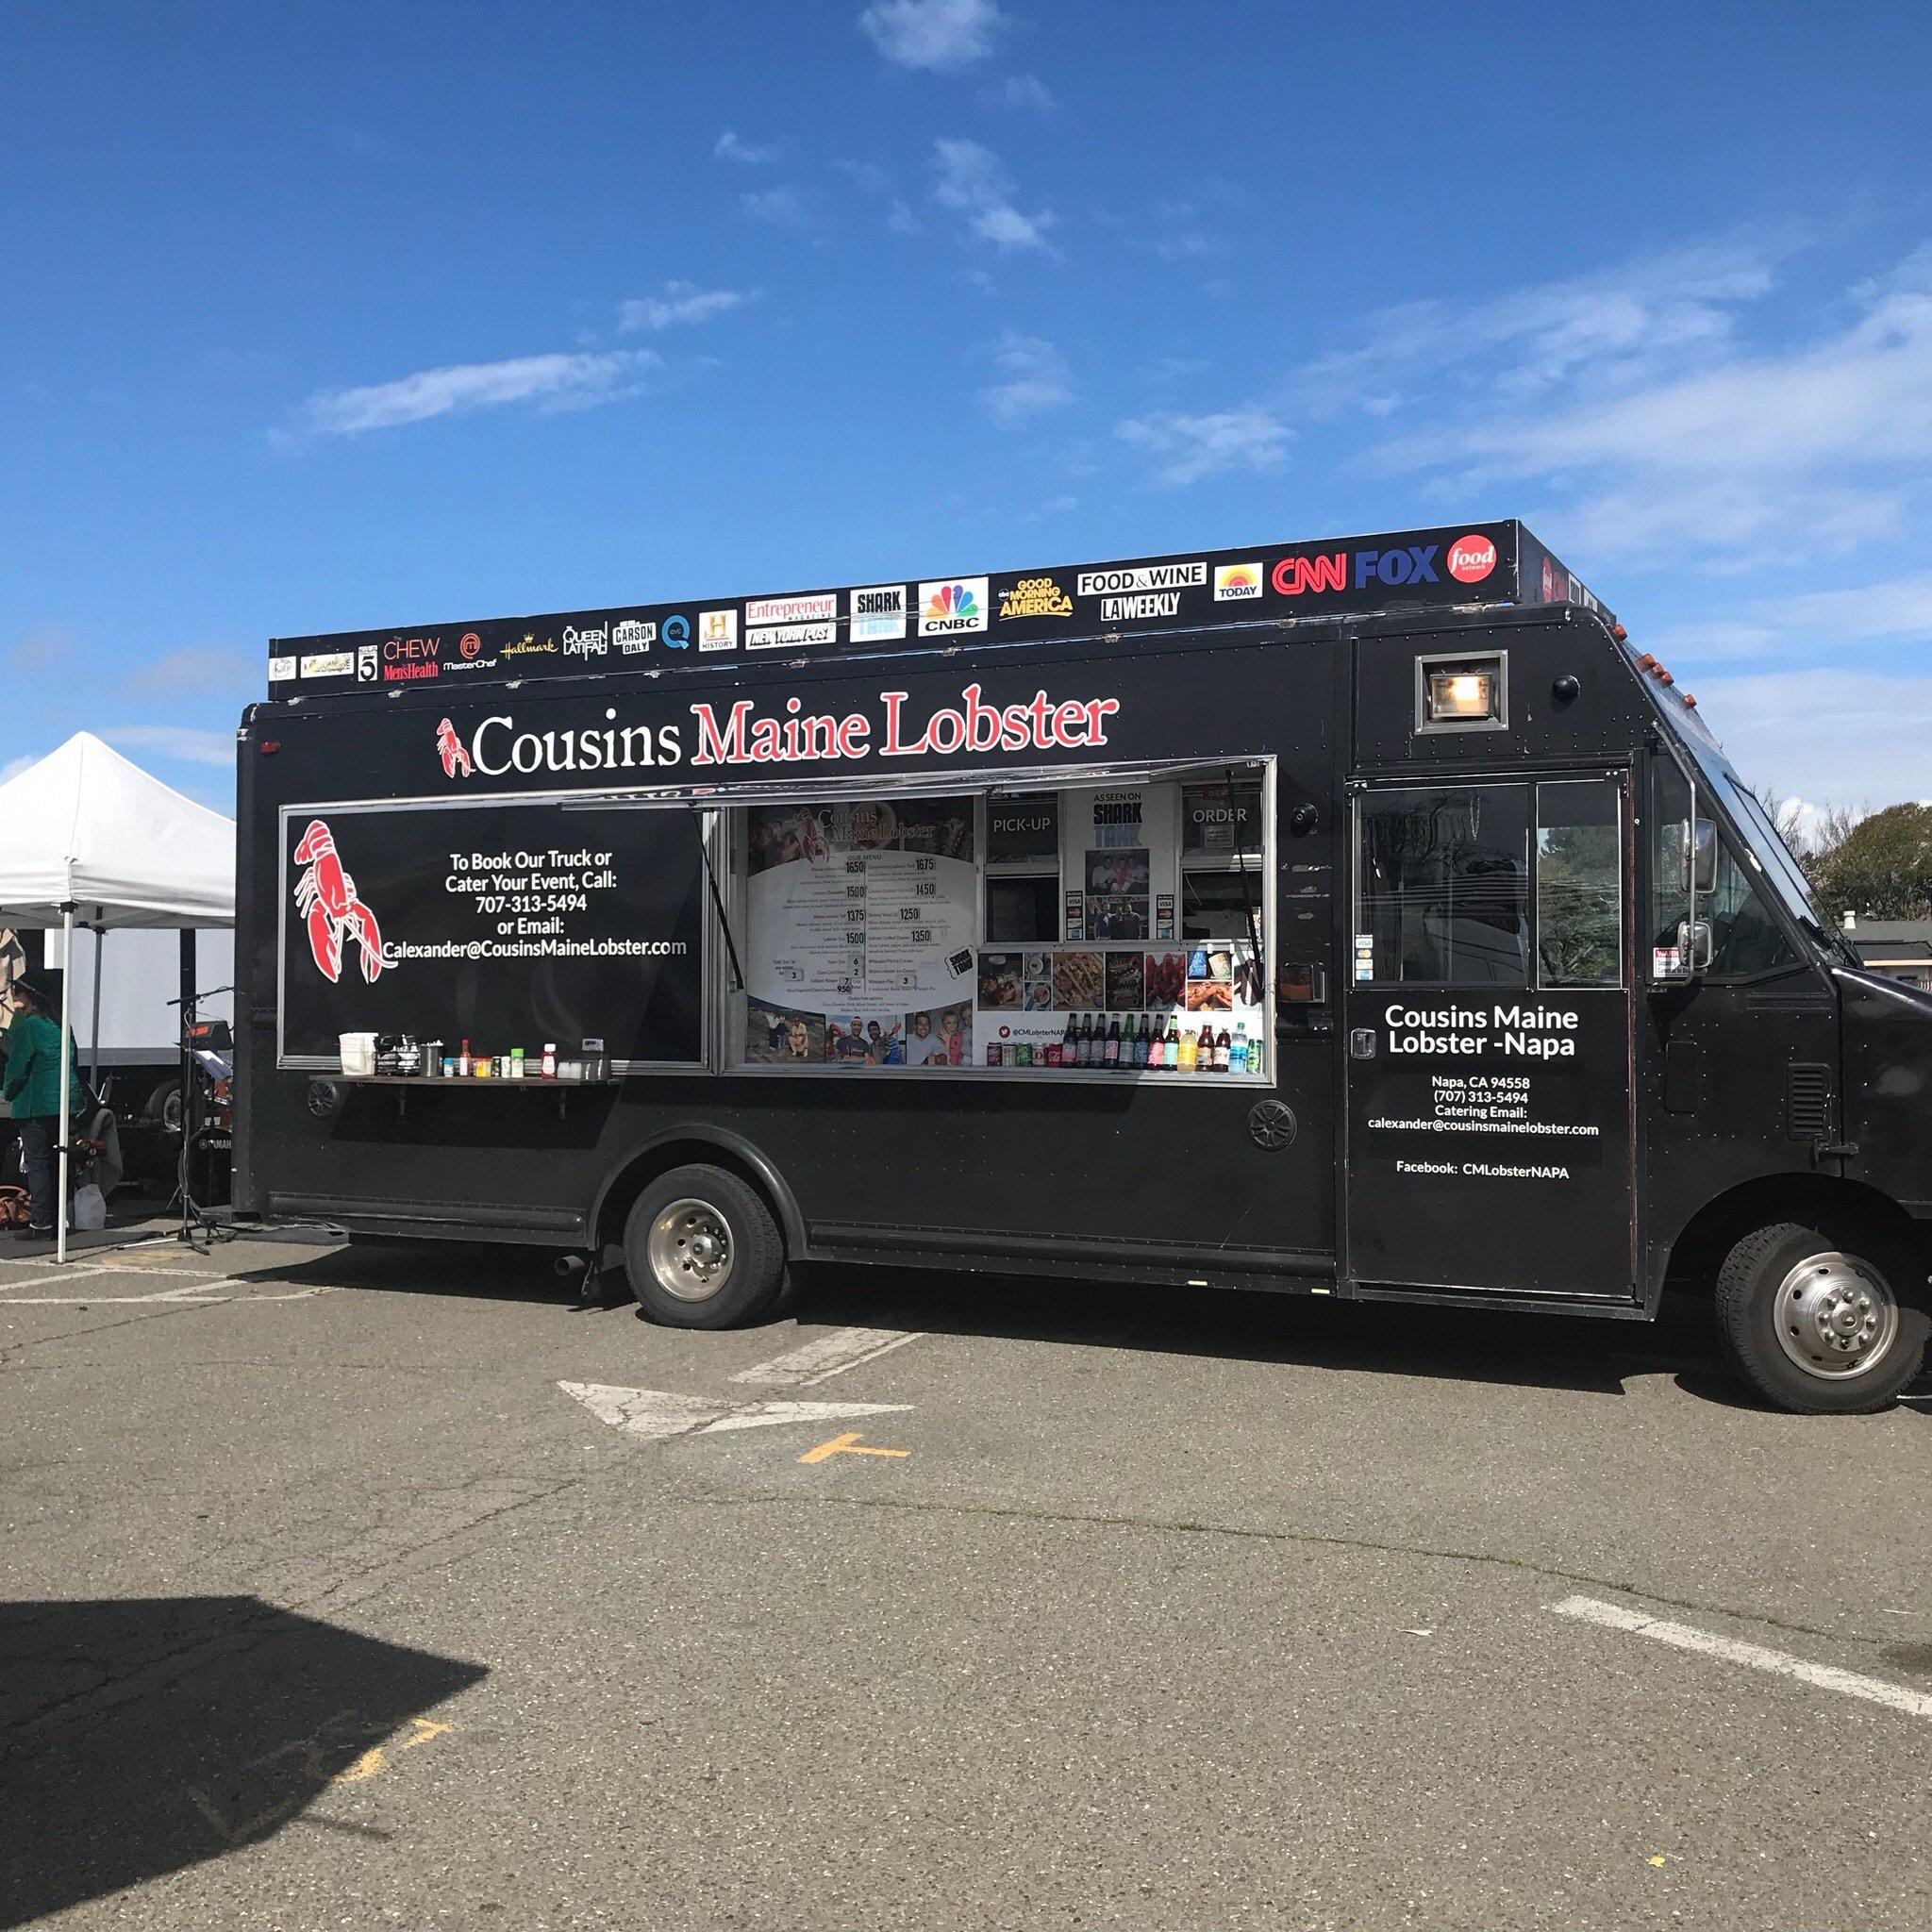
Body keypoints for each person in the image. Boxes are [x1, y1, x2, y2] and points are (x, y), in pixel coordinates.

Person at [2, 981, 82, 1239]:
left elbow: (17, 1066)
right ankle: (60, 1220)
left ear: (27, 998)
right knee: (59, 1161)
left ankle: (41, 1223)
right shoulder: (61, 1024)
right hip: (63, 1103)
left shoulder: (28, 1026)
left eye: (16, 993)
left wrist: (8, 1092)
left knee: (37, 1165)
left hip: (36, 1104)